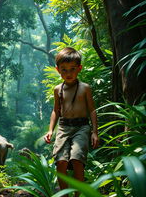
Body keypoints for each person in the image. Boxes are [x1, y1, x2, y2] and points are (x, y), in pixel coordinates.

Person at [44, 47, 99, 197]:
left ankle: (77, 195)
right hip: (63, 127)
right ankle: (64, 194)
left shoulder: (85, 88)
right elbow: (56, 110)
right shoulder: (58, 89)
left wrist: (94, 132)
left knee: (76, 159)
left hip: (81, 127)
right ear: (58, 70)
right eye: (64, 69)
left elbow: (92, 110)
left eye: (72, 69)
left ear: (79, 68)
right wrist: (50, 130)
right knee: (61, 162)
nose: (68, 73)